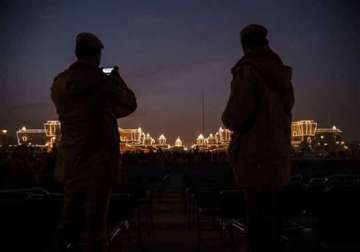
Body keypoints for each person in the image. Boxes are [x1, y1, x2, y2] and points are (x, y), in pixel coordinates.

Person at [50, 32, 137, 252]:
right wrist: (117, 79)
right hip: (98, 163)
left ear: (77, 52)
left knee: (69, 219)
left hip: (70, 161)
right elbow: (129, 104)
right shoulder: (103, 82)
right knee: (95, 226)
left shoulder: (59, 82)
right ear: (98, 55)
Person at [222, 24, 294, 252]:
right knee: (273, 222)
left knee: (257, 223)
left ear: (245, 45)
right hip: (278, 157)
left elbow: (237, 115)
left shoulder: (248, 70)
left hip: (254, 159)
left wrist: (226, 119)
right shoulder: (281, 74)